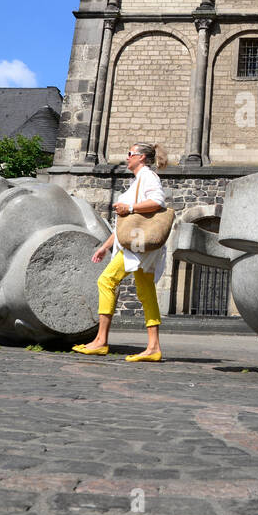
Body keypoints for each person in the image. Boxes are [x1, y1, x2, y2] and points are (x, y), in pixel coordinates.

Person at [75, 142, 170, 362]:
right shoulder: (139, 180)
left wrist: (130, 208)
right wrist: (106, 246)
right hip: (136, 244)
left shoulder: (148, 176)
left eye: (130, 154)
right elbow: (125, 226)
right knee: (146, 292)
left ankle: (100, 341)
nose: (127, 158)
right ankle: (153, 347)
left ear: (142, 158)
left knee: (106, 281)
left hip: (137, 247)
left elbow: (157, 202)